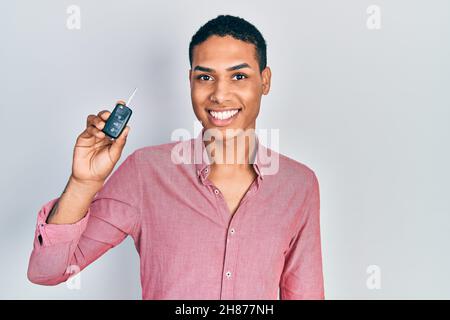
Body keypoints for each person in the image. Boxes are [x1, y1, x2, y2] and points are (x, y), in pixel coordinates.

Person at [27, 14, 324, 300]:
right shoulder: (145, 173)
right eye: (205, 76)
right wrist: (83, 182)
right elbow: (48, 272)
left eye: (239, 76)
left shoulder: (298, 184)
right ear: (190, 81)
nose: (220, 94)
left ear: (265, 81)